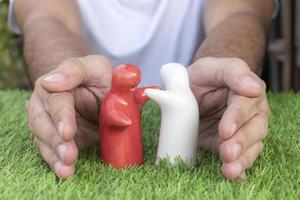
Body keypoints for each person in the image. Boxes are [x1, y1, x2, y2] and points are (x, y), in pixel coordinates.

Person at [8, 0, 276, 180]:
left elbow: (242, 10)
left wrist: (223, 70)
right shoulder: (113, 99)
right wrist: (66, 79)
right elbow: (44, 15)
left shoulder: (178, 98)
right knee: (128, 150)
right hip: (100, 121)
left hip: (205, 112)